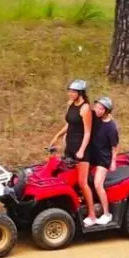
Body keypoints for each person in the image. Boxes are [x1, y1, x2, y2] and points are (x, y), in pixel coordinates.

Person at [49, 79, 97, 226]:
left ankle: (92, 215)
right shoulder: (71, 104)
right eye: (69, 91)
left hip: (82, 149)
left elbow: (88, 132)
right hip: (70, 147)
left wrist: (82, 150)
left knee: (83, 183)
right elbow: (69, 123)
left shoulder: (85, 108)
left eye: (73, 92)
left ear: (80, 93)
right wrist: (57, 136)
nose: (70, 94)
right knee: (69, 178)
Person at [87, 97, 119, 226]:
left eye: (101, 109)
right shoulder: (95, 117)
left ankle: (107, 214)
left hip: (103, 158)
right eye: (97, 107)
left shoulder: (111, 127)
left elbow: (115, 146)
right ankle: (91, 212)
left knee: (98, 184)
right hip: (91, 155)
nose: (97, 110)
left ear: (106, 111)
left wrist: (113, 161)